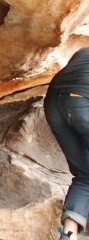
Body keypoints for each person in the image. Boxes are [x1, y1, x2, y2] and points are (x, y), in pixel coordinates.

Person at [46, 47, 89, 239]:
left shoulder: (83, 51)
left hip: (52, 106)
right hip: (81, 105)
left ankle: (68, 236)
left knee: (85, 176)